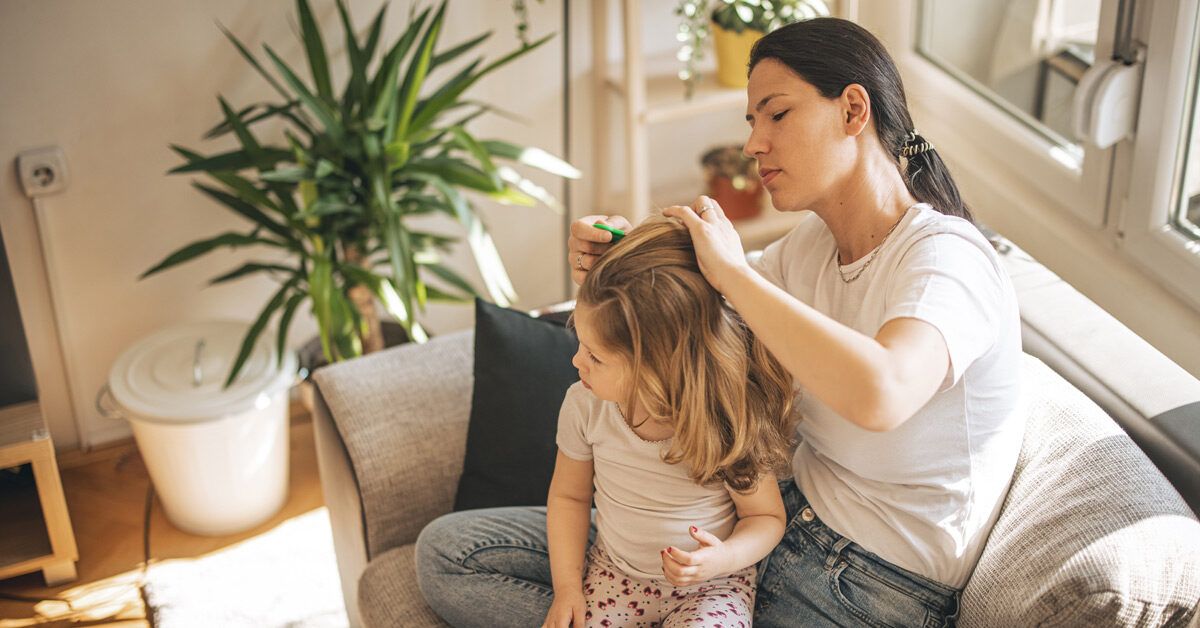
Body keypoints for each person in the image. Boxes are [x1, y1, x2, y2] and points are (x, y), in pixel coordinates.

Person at [418, 17, 1023, 627]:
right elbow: (689, 310)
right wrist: (620, 256)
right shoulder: (810, 247)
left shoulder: (948, 258)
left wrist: (734, 274)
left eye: (776, 114)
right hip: (752, 523)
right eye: (752, 121)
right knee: (450, 554)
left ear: (852, 110)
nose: (754, 143)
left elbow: (882, 393)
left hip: (861, 580)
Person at [543, 218, 796, 628]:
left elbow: (765, 518)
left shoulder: (723, 419)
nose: (576, 361)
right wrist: (567, 588)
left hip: (711, 586)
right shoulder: (584, 405)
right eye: (581, 345)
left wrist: (722, 558)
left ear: (658, 370)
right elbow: (569, 498)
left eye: (595, 356)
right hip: (615, 573)